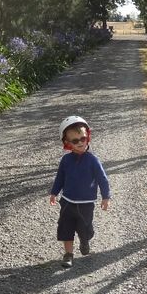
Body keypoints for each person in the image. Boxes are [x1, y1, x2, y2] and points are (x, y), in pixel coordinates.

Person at [49, 115, 111, 268]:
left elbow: (102, 179)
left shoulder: (93, 160)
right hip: (67, 202)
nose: (80, 143)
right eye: (75, 141)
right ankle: (68, 254)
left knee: (85, 229)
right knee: (65, 228)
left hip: (86, 204)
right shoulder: (66, 160)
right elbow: (60, 178)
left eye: (83, 138)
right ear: (67, 143)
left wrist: (106, 197)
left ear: (87, 137)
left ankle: (84, 240)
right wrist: (54, 192)